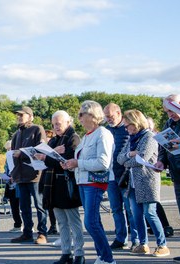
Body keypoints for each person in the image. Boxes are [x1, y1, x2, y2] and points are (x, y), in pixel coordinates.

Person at [62, 100, 116, 264]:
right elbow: (83, 161)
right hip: (84, 182)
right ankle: (102, 256)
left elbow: (103, 163)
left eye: (81, 115)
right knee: (94, 222)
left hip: (95, 182)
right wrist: (71, 164)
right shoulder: (87, 136)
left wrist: (78, 163)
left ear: (92, 115)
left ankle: (108, 258)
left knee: (91, 223)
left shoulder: (103, 134)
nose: (79, 119)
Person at [117, 109, 170, 257]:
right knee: (136, 214)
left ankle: (162, 245)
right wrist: (129, 155)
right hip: (133, 182)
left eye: (128, 126)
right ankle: (143, 244)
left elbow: (143, 159)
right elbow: (120, 158)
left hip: (147, 181)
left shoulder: (149, 137)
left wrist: (129, 160)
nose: (126, 129)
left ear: (136, 122)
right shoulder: (132, 138)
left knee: (150, 213)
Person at [35, 110, 85, 264]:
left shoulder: (73, 138)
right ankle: (66, 253)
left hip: (67, 185)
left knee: (74, 221)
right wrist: (48, 156)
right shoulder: (52, 141)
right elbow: (51, 161)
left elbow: (66, 162)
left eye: (59, 123)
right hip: (53, 186)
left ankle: (79, 254)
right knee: (61, 222)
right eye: (54, 124)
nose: (56, 126)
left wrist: (47, 157)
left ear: (68, 122)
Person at [10, 106, 48, 244]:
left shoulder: (37, 129)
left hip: (35, 174)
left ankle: (42, 233)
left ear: (30, 116)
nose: (19, 117)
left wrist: (23, 153)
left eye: (22, 114)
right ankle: (27, 233)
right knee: (24, 207)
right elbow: (13, 155)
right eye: (18, 115)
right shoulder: (16, 134)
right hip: (20, 175)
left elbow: (40, 149)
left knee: (39, 205)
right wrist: (13, 173)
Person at [103, 103, 138, 251]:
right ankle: (120, 238)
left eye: (110, 116)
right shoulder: (105, 130)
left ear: (119, 114)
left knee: (130, 209)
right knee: (116, 209)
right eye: (106, 116)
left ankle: (136, 239)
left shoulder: (128, 129)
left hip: (125, 174)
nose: (108, 119)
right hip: (111, 176)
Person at [154, 95, 180, 224]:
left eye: (171, 110)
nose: (170, 114)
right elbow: (163, 146)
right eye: (167, 112)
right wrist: (161, 161)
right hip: (177, 174)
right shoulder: (168, 124)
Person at [3, 140, 22, 232]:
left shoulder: (18, 156)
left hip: (19, 183)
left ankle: (28, 225)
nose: (8, 151)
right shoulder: (8, 158)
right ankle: (17, 224)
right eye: (7, 149)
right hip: (10, 184)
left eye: (10, 149)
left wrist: (14, 176)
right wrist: (5, 176)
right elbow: (6, 169)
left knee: (22, 205)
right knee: (13, 205)